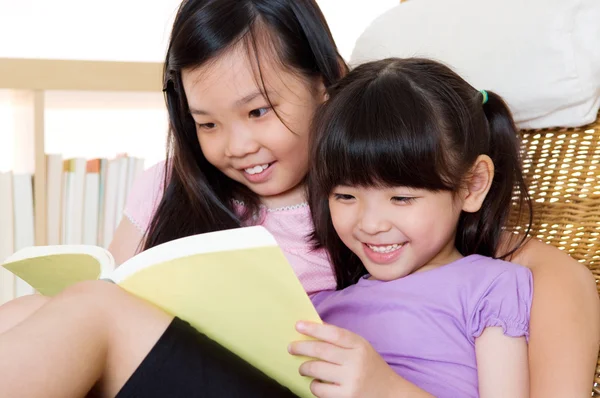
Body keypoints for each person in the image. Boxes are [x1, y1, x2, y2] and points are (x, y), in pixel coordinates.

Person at [0, 0, 597, 396]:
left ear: (326, 81)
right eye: (206, 123)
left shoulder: (373, 208)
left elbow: (530, 278)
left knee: (93, 311)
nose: (237, 145)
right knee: (46, 309)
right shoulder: (175, 186)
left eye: (259, 110)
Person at [288, 57, 533, 398]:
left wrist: (386, 389)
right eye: (345, 195)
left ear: (472, 185)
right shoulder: (321, 308)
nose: (370, 224)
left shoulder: (489, 289)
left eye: (401, 198)